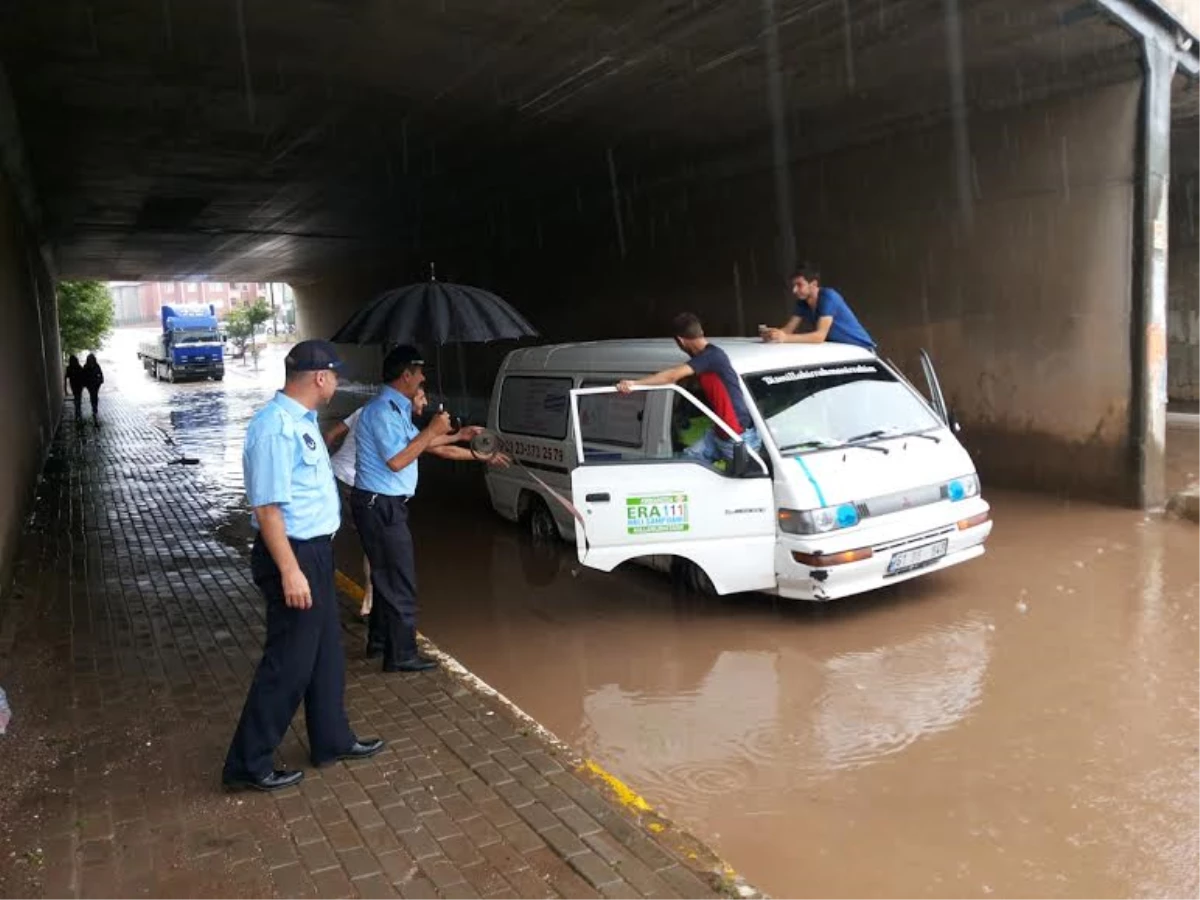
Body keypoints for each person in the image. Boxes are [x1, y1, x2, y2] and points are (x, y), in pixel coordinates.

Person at [223, 340, 383, 793]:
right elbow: (268, 508)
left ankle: (331, 739)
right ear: (319, 377)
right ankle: (247, 764)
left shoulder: (304, 422)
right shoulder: (274, 429)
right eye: (335, 375)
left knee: (326, 653)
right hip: (291, 554)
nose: (337, 381)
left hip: (315, 551)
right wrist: (290, 570)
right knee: (289, 663)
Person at [352, 346, 457, 673]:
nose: (423, 378)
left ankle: (381, 641)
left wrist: (460, 435)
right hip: (380, 505)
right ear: (406, 375)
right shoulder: (382, 411)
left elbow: (419, 444)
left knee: (386, 577)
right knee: (400, 581)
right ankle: (402, 655)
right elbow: (398, 460)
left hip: (381, 504)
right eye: (420, 371)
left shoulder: (395, 408)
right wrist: (432, 430)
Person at [617, 313, 761, 463]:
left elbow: (671, 376)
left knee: (741, 482)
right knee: (688, 461)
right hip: (721, 432)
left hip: (736, 436)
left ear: (680, 341)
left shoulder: (711, 357)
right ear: (701, 332)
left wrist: (635, 384)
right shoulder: (707, 358)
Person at [324, 407, 373, 619]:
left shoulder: (364, 410)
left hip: (332, 474)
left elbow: (330, 434)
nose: (425, 402)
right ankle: (368, 604)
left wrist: (320, 468)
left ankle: (314, 591)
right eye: (421, 396)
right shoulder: (390, 418)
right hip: (354, 484)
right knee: (371, 543)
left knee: (322, 536)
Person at [762, 263, 875, 350]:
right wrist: (772, 333)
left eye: (799, 285)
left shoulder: (828, 297)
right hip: (840, 349)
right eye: (793, 286)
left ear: (814, 284)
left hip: (861, 349)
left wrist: (784, 338)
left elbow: (819, 336)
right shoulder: (802, 302)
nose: (794, 290)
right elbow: (788, 330)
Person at [82, 353, 104, 423]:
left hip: (96, 383)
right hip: (90, 384)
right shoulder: (86, 366)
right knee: (93, 395)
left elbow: (100, 373)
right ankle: (94, 407)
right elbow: (83, 375)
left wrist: (100, 380)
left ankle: (94, 407)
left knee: (94, 395)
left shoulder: (96, 366)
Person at [64, 355, 84, 419]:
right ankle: (78, 410)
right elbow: (83, 376)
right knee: (78, 396)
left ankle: (77, 410)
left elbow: (66, 377)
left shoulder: (69, 368)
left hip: (73, 385)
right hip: (79, 385)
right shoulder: (79, 367)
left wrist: (65, 389)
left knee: (76, 396)